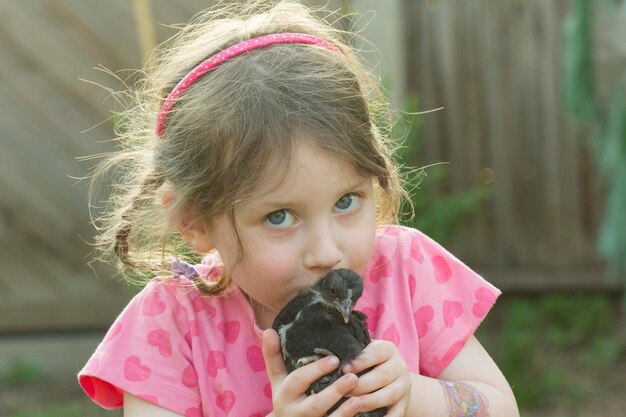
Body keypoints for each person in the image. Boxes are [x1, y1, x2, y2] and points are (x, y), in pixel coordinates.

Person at [78, 1, 519, 416]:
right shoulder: (172, 325)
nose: (326, 252)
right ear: (194, 221)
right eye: (279, 217)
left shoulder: (405, 271)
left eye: (346, 201)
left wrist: (414, 392)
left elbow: (501, 406)